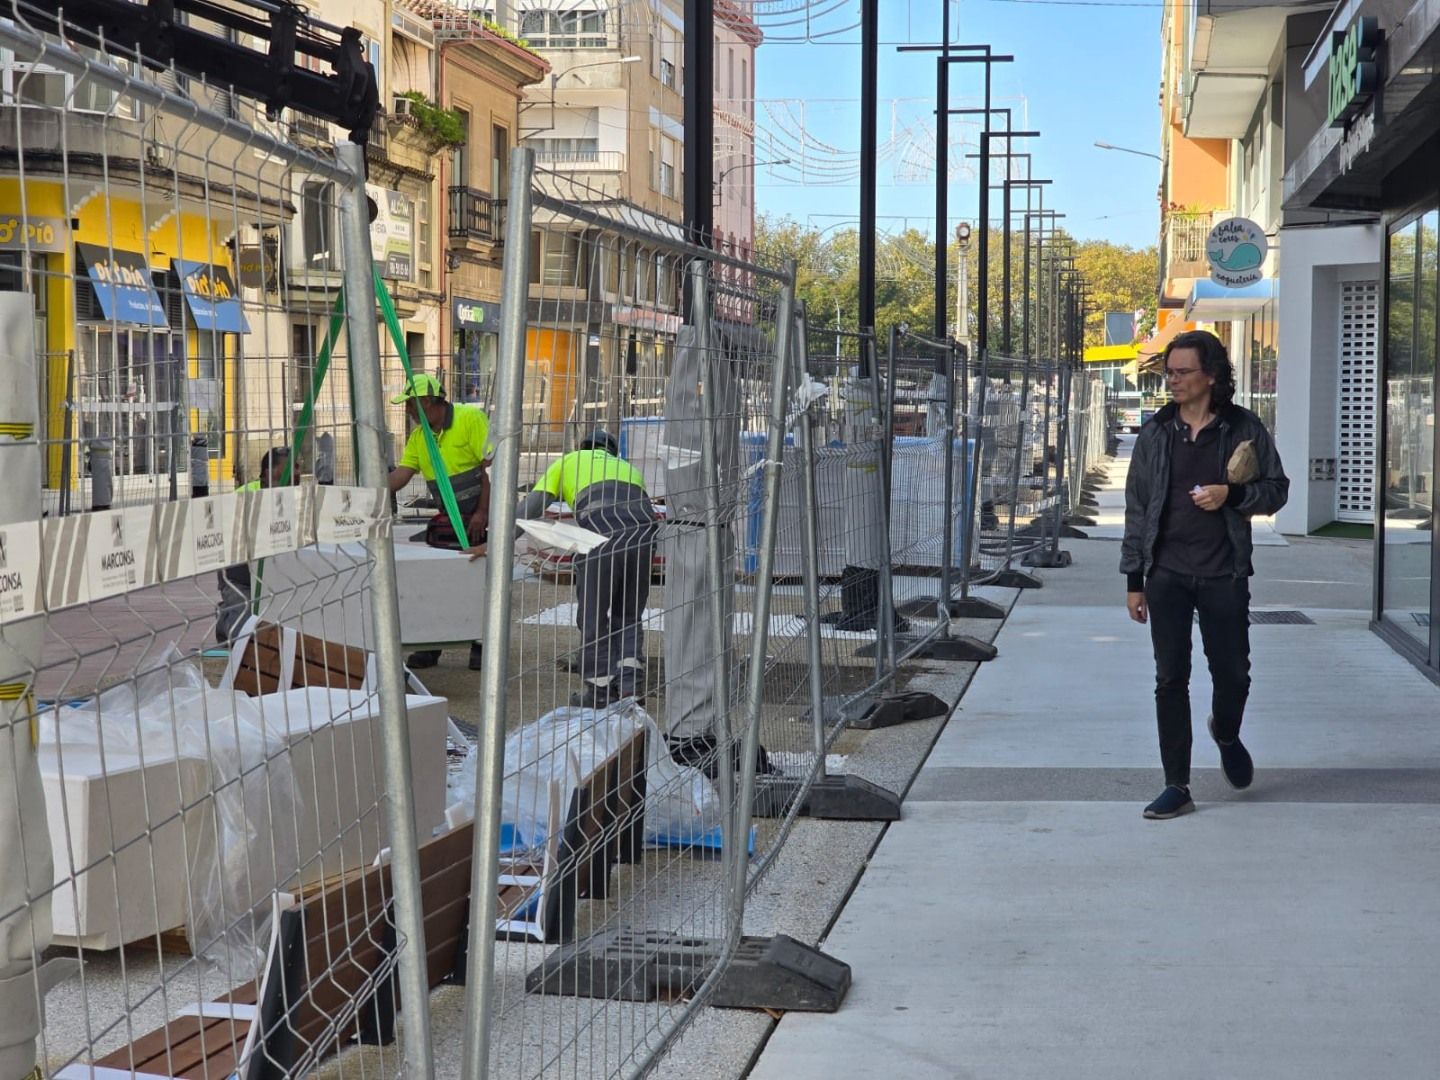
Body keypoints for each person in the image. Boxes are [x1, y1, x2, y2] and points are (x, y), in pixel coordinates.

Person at [1120, 330, 1289, 820]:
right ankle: (1178, 784)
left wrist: (1232, 497)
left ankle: (1227, 732)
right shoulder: (1156, 433)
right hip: (1167, 574)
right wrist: (1134, 579)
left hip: (1223, 573)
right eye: (1169, 372)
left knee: (1233, 673)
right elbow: (1136, 509)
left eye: (1182, 372)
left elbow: (1277, 490)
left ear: (1211, 376)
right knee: (1170, 679)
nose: (1172, 381)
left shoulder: (1243, 429)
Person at [517, 431, 658, 708]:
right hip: (644, 535)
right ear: (612, 451)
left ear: (582, 447)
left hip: (602, 533)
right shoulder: (628, 468)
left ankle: (599, 691)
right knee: (628, 614)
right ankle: (629, 689)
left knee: (593, 616)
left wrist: (495, 541)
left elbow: (531, 508)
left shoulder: (569, 461)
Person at [386, 373, 492, 670]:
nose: (406, 410)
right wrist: (370, 489)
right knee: (438, 579)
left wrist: (483, 514)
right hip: (450, 518)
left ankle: (481, 644)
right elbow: (401, 476)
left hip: (478, 516)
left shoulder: (470, 419)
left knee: (478, 581)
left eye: (410, 404)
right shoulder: (420, 438)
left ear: (429, 402)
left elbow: (489, 471)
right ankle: (432, 645)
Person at [215, 446, 289, 644]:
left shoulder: (295, 496)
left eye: (298, 467)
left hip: (278, 575)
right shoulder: (245, 495)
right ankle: (226, 619)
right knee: (243, 640)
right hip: (240, 577)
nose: (298, 472)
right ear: (268, 473)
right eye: (291, 467)